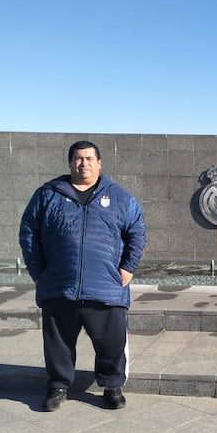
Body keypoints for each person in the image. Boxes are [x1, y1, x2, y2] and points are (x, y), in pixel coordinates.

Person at [19, 140, 146, 411]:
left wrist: (127, 267)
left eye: (89, 158)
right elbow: (28, 231)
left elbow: (137, 231)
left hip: (106, 286)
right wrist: (38, 271)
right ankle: (58, 386)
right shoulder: (47, 195)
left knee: (111, 341)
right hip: (59, 285)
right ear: (69, 163)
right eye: (78, 158)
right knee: (58, 343)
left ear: (99, 163)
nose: (84, 163)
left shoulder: (121, 197)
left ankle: (112, 386)